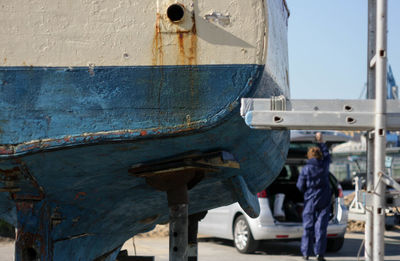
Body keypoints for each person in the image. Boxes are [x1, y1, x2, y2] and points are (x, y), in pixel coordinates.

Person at [296, 132, 332, 261]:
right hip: (324, 197)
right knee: (321, 227)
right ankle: (319, 255)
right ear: (320, 155)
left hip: (310, 198)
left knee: (308, 227)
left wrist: (306, 193)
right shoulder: (324, 165)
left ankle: (306, 254)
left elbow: (299, 185)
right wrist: (321, 142)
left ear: (309, 155)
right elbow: (327, 156)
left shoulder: (305, 169)